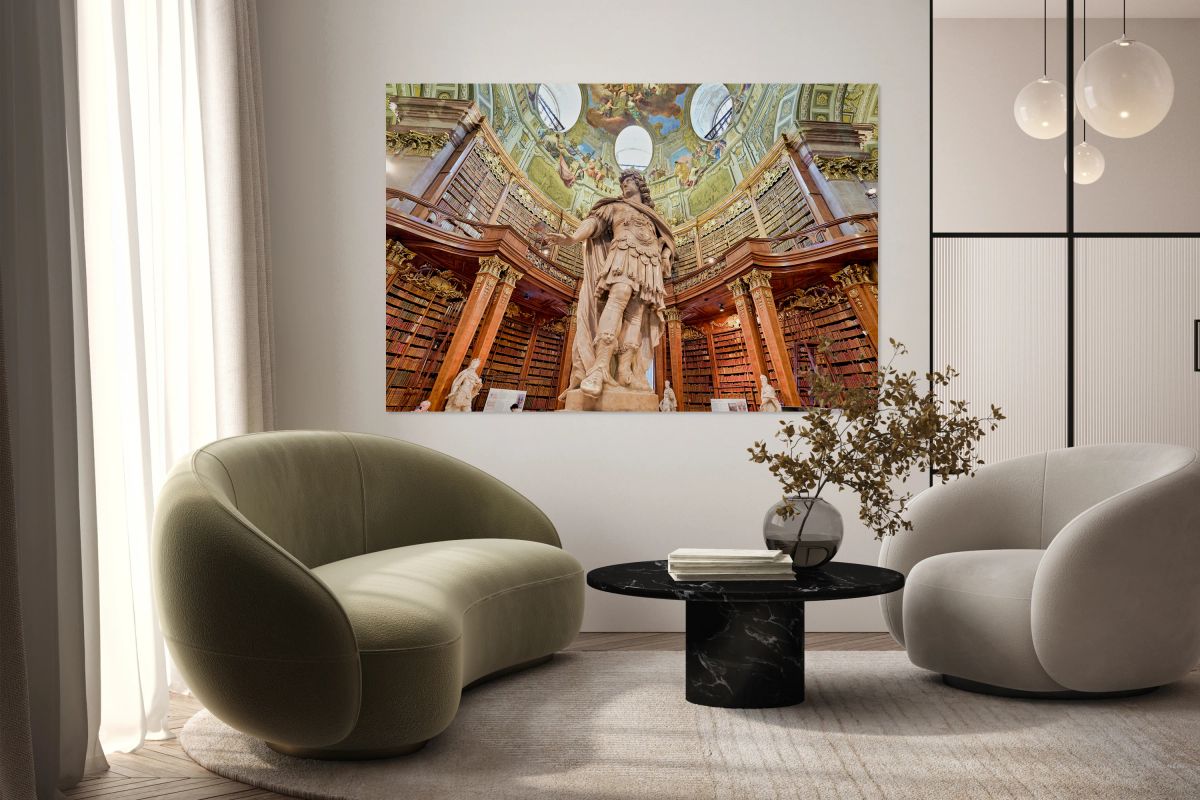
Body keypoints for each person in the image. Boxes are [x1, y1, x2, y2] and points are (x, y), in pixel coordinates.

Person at [544, 170, 675, 401]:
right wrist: (573, 238)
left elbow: (665, 239)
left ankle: (625, 371)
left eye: (628, 181)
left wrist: (665, 254)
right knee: (618, 297)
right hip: (623, 253)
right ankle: (600, 367)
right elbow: (594, 223)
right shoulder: (613, 206)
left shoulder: (652, 215)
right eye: (622, 182)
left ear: (639, 184)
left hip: (649, 262)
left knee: (637, 314)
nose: (624, 185)